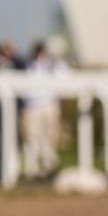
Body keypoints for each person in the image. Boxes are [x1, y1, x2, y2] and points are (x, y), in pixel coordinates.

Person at [21, 37, 69, 179]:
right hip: (32, 108)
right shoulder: (27, 65)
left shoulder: (55, 65)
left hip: (50, 106)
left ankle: (49, 166)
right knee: (32, 138)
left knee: (49, 138)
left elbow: (64, 77)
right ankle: (32, 169)